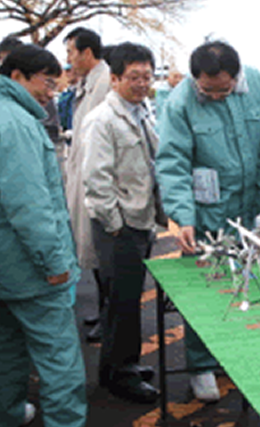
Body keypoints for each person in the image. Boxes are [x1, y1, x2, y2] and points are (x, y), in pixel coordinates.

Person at [0, 44, 113, 427]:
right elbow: (29, 207)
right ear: (18, 77)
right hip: (30, 267)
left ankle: (5, 418)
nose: (52, 92)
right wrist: (53, 262)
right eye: (47, 83)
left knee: (11, 345)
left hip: (3, 263)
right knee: (60, 358)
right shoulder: (14, 124)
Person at [156, 40, 260, 401]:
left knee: (241, 287)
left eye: (224, 88)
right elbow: (172, 162)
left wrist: (259, 188)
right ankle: (200, 365)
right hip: (205, 214)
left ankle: (231, 354)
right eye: (209, 91)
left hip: (246, 210)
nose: (218, 95)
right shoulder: (180, 102)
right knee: (205, 291)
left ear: (236, 76)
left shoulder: (254, 85)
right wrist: (183, 216)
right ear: (196, 81)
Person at [81, 42, 163, 403]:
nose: (142, 83)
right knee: (121, 303)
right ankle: (118, 374)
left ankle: (123, 364)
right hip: (120, 226)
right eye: (134, 77)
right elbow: (96, 180)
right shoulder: (102, 119)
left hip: (140, 221)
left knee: (127, 301)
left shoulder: (142, 110)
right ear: (114, 79)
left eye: (147, 76)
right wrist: (115, 226)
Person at [64, 27, 112, 342]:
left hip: (99, 188)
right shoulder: (88, 84)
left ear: (87, 52)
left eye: (70, 52)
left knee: (104, 258)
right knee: (95, 257)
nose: (67, 60)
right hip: (85, 182)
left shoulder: (105, 84)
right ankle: (104, 313)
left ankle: (109, 319)